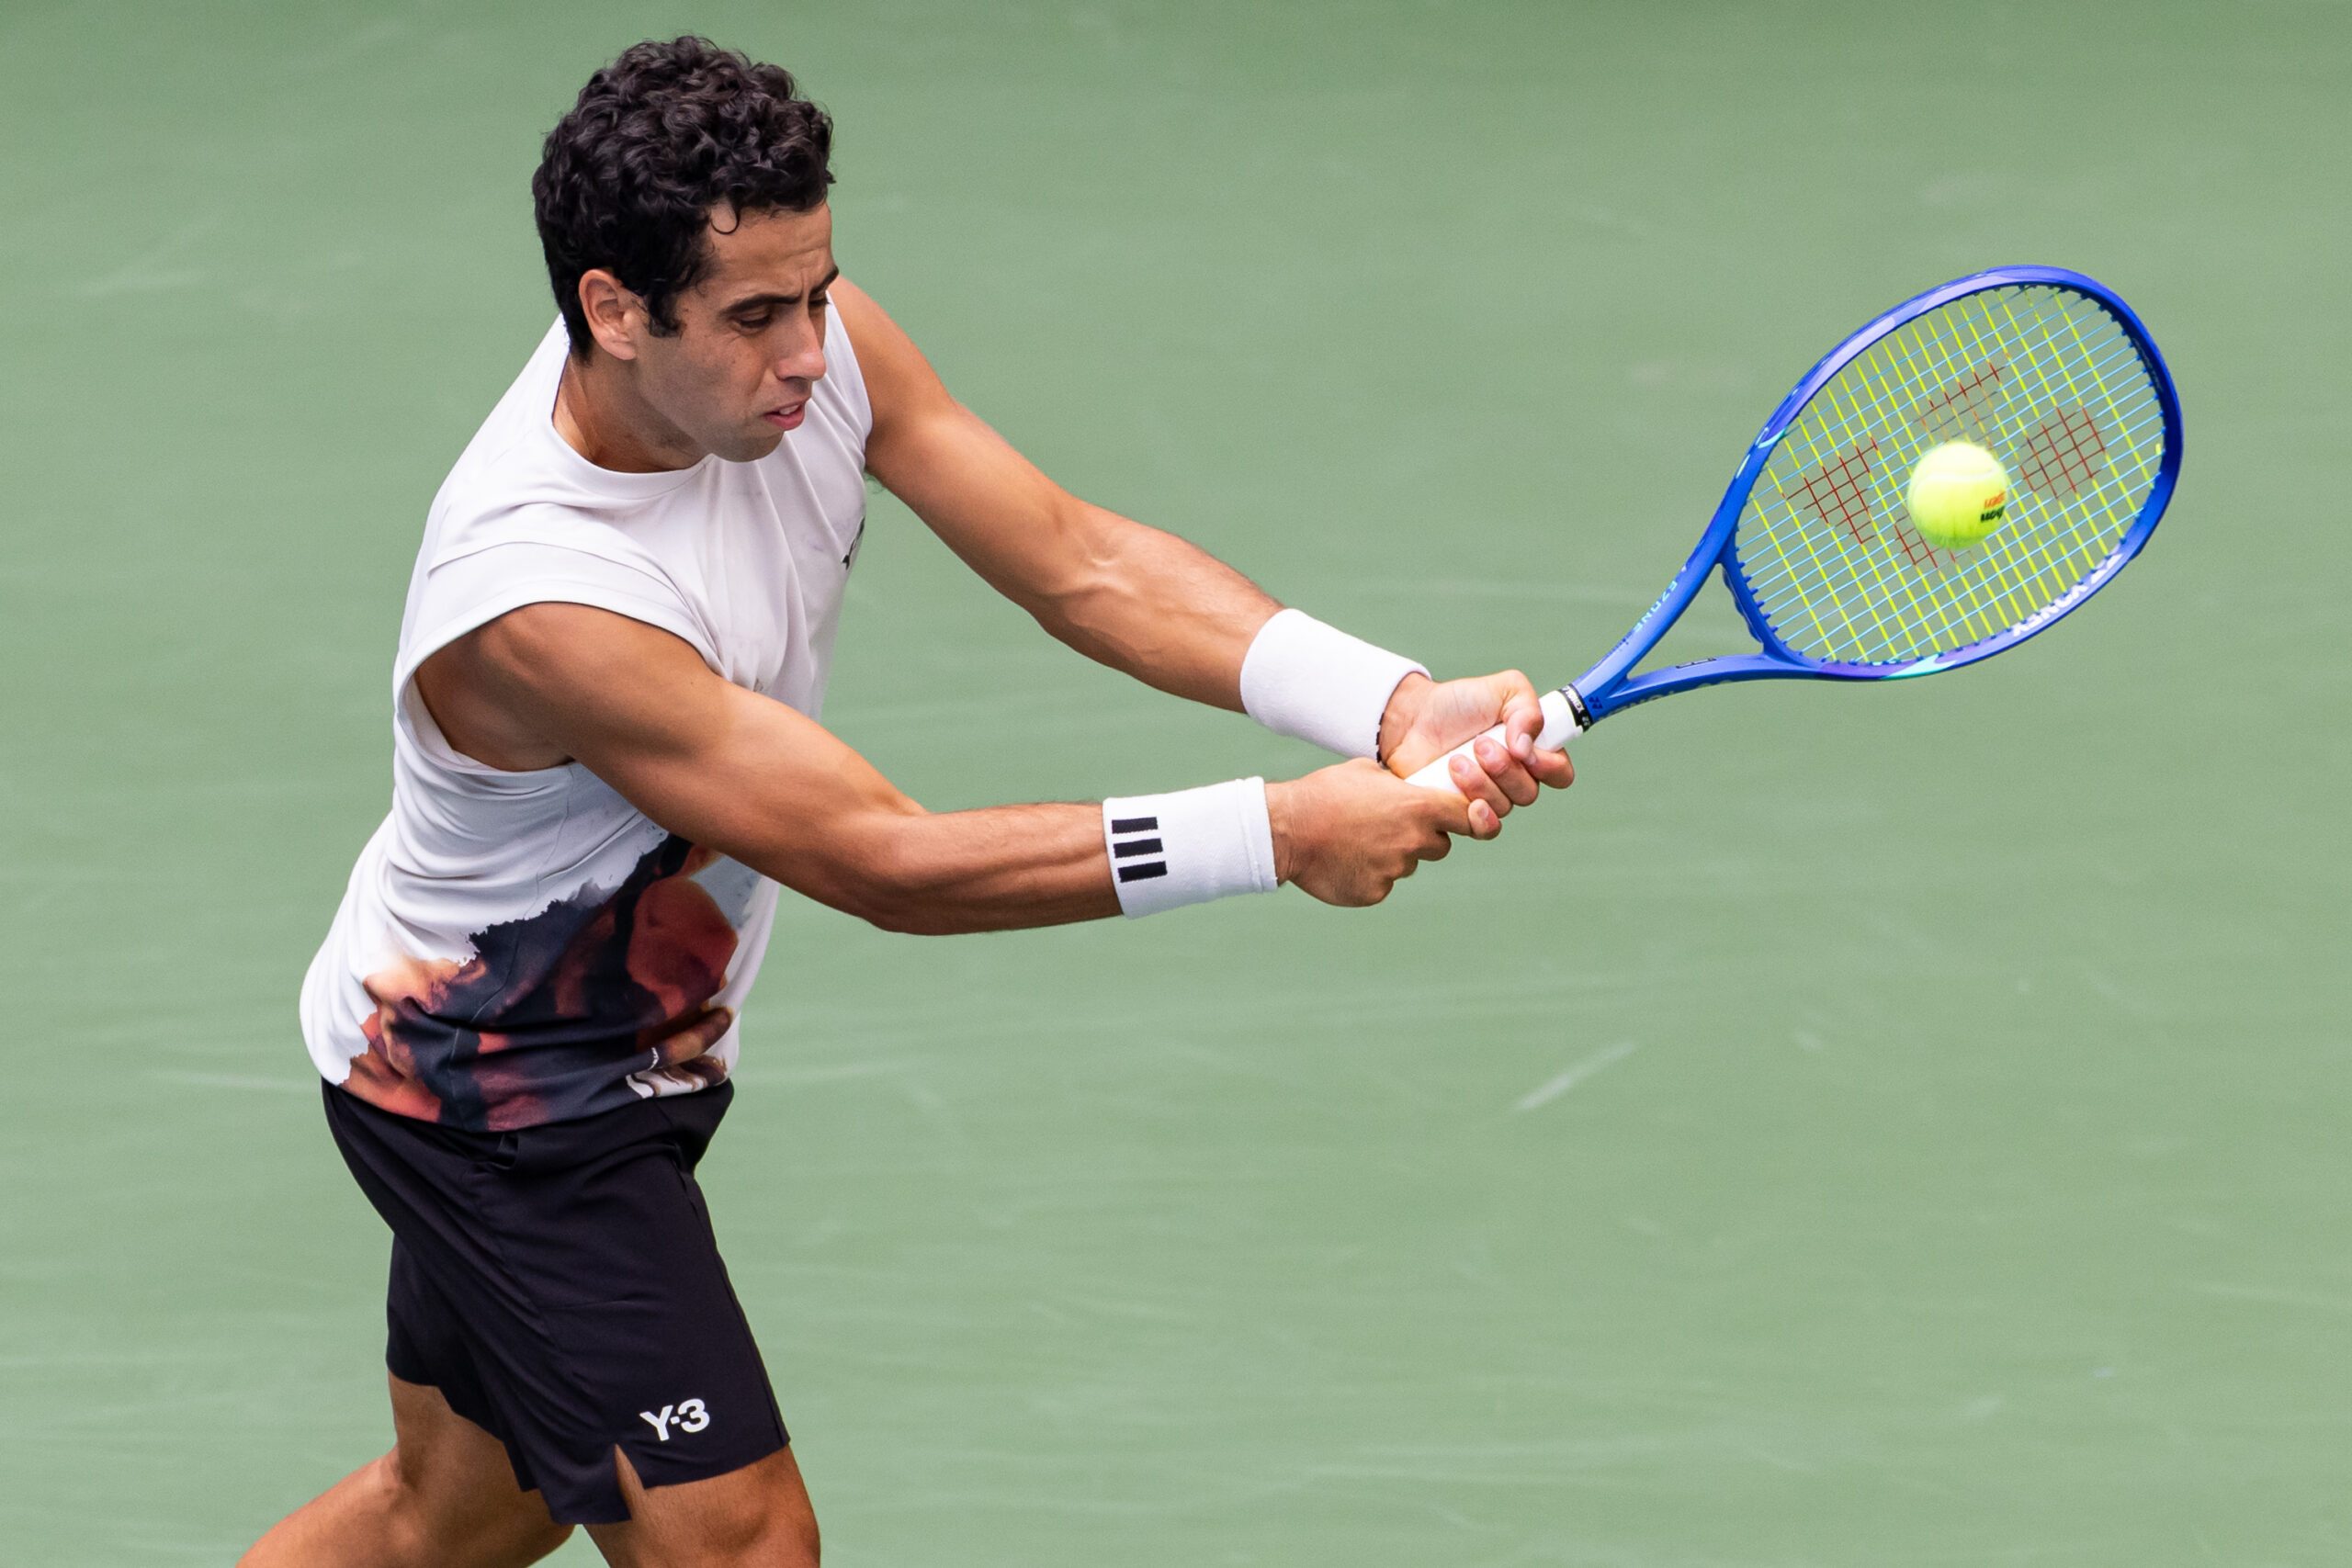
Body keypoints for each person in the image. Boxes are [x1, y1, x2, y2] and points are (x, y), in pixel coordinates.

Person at [243, 35, 1572, 1568]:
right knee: (745, 1543)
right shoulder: (544, 604)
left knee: (455, 1511)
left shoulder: (807, 357)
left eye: (816, 291)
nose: (808, 352)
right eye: (754, 317)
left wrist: (1389, 704)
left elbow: (1083, 560)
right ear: (612, 309)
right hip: (502, 1097)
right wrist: (1282, 834)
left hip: (615, 1045)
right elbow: (886, 861)